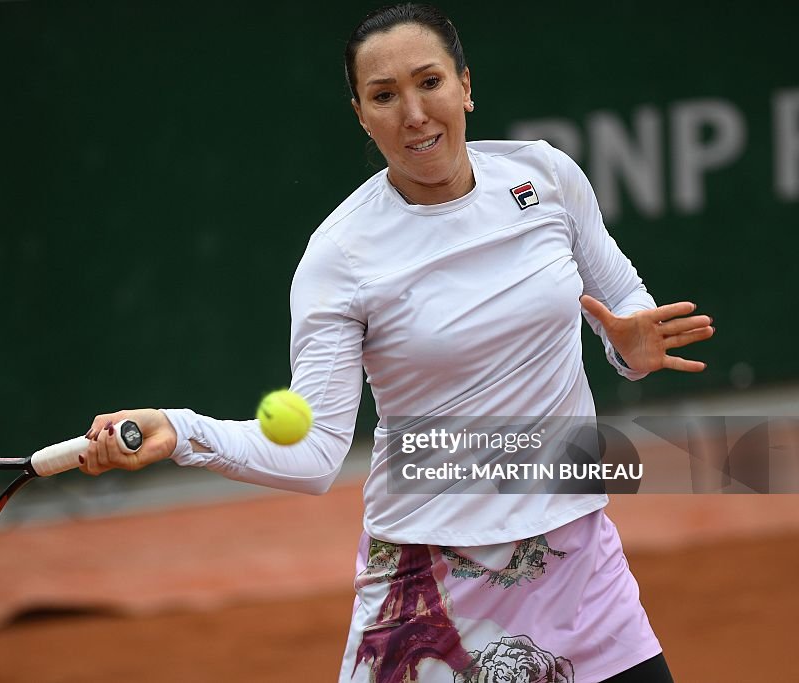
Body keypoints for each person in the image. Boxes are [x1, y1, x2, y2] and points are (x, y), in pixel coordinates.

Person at [79, 4, 714, 681]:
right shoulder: (341, 254)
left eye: (429, 82)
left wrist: (630, 347)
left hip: (576, 560)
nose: (413, 112)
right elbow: (315, 453)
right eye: (384, 95)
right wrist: (179, 430)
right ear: (361, 113)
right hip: (430, 584)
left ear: (465, 86)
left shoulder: (547, 178)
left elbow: (622, 295)